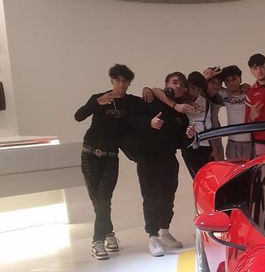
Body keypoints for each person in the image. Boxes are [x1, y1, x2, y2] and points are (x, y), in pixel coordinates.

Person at [124, 71, 194, 256]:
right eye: (175, 82)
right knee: (151, 196)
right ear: (166, 84)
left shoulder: (182, 114)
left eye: (182, 84)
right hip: (148, 158)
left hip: (169, 159)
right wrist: (149, 122)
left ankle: (164, 232)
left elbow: (181, 143)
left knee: (168, 196)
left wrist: (188, 137)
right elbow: (130, 120)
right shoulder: (151, 100)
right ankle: (152, 236)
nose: (178, 86)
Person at [74, 63, 135, 260]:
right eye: (117, 80)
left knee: (104, 198)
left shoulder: (130, 103)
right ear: (111, 80)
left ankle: (97, 240)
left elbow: (147, 106)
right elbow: (78, 116)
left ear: (129, 83)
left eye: (125, 81)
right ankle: (108, 234)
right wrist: (96, 103)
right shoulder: (98, 98)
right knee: (98, 201)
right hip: (90, 154)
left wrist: (149, 90)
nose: (121, 84)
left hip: (111, 157)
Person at [220, 65, 252, 161]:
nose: (231, 83)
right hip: (232, 141)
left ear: (240, 79)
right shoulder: (223, 94)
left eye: (234, 79)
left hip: (249, 141)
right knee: (233, 172)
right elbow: (205, 86)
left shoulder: (249, 92)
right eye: (227, 81)